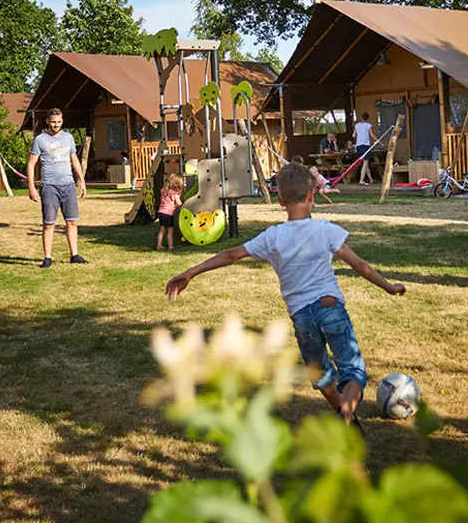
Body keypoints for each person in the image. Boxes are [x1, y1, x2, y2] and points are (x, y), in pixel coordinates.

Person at [166, 162, 405, 429]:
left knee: (322, 376)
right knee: (353, 372)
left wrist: (191, 272)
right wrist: (389, 287)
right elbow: (359, 265)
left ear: (280, 201)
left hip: (302, 318)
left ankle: (345, 417)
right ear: (312, 195)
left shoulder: (273, 237)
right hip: (330, 306)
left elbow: (231, 255)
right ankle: (345, 416)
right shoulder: (326, 229)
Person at [27, 108, 88, 268]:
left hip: (67, 184)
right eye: (53, 122)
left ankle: (74, 255)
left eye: (59, 122)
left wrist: (81, 180)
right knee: (49, 224)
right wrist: (32, 187)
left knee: (72, 222)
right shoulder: (40, 139)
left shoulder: (68, 138)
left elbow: (74, 159)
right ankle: (47, 257)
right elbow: (31, 163)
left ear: (62, 121)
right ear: (48, 121)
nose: (56, 125)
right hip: (49, 186)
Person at [157, 173, 183, 251]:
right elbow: (179, 204)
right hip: (168, 214)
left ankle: (159, 245)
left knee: (162, 230)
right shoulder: (174, 194)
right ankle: (171, 246)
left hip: (161, 212)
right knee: (170, 231)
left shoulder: (163, 191)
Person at [353, 113, 378, 185]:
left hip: (359, 146)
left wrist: (360, 136)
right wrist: (378, 141)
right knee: (365, 163)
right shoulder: (368, 125)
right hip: (365, 146)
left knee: (365, 163)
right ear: (367, 118)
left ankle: (370, 179)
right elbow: (372, 135)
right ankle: (361, 180)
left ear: (361, 118)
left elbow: (353, 135)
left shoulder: (357, 125)